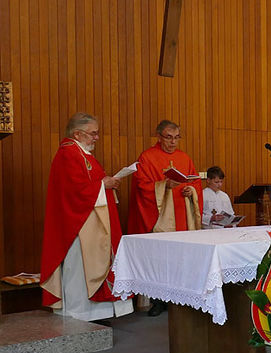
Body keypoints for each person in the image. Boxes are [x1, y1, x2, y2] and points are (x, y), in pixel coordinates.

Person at [40, 113, 133, 322]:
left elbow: (88, 185)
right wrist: (103, 185)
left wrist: (107, 183)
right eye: (93, 133)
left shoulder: (83, 154)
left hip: (91, 221)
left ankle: (96, 314)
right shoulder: (68, 154)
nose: (96, 138)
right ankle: (79, 314)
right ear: (77, 133)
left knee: (92, 266)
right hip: (78, 225)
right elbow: (73, 191)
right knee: (80, 269)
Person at [129, 119, 203, 316]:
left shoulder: (184, 158)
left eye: (176, 138)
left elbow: (194, 181)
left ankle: (181, 298)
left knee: (181, 258)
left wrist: (191, 190)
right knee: (160, 259)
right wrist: (163, 186)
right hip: (161, 218)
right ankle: (158, 301)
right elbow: (141, 186)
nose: (173, 142)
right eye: (168, 137)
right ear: (158, 136)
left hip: (182, 216)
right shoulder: (147, 157)